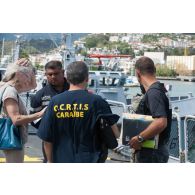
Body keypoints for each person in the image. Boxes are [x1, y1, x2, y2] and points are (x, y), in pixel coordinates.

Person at [37, 61, 120, 163]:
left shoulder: (55, 102)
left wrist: (49, 161)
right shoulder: (97, 101)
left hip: (61, 159)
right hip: (90, 159)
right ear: (87, 78)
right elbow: (115, 133)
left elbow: (46, 137)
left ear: (67, 78)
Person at [0, 58, 46, 163]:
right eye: (28, 76)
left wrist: (30, 69)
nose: (29, 80)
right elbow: (16, 119)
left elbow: (33, 85)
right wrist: (40, 114)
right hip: (13, 137)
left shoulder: (5, 86)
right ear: (20, 74)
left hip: (10, 135)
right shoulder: (10, 91)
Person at [129, 57, 172, 163]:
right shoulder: (160, 89)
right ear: (154, 71)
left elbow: (161, 122)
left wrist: (139, 138)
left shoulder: (154, 93)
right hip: (157, 150)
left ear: (138, 73)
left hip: (152, 154)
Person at [30, 60, 69, 162]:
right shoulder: (40, 95)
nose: (53, 77)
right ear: (45, 75)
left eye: (56, 74)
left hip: (72, 138)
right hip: (50, 140)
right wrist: (45, 127)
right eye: (50, 74)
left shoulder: (74, 89)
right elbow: (33, 118)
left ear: (63, 72)